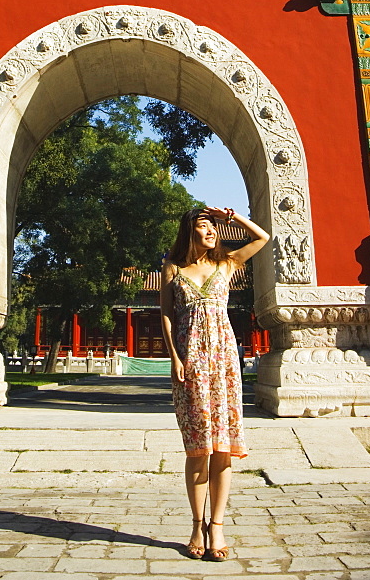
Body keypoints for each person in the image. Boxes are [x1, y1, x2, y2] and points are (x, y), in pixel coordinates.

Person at [160, 206, 269, 561]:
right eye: (204, 227)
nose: (211, 232)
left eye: (213, 227)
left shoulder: (227, 264)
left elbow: (262, 238)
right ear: (189, 232)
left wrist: (232, 218)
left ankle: (217, 526)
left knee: (222, 447)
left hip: (223, 362)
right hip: (191, 362)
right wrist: (175, 357)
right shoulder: (173, 269)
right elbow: (166, 314)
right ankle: (196, 524)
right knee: (197, 448)